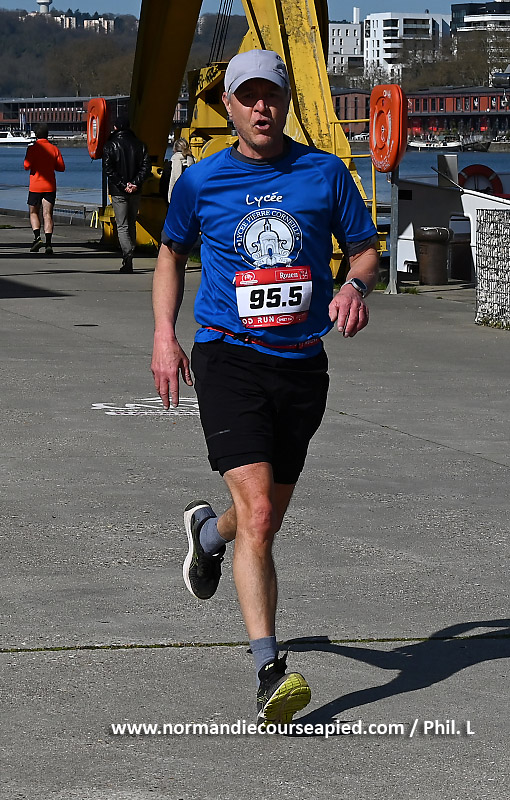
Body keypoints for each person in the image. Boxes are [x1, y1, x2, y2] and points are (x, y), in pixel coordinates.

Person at [151, 49, 379, 729]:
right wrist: (164, 335)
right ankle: (269, 672)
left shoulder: (324, 172)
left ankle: (207, 535)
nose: (260, 107)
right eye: (247, 96)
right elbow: (171, 252)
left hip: (302, 365)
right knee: (257, 515)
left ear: (285, 102)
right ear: (227, 106)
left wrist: (355, 286)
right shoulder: (201, 180)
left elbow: (365, 249)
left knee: (260, 520)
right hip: (229, 358)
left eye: (271, 95)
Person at [102, 114, 151, 274]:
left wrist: (123, 185)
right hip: (136, 191)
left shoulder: (110, 145)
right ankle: (130, 252)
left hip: (118, 191)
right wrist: (135, 183)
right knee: (131, 222)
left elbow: (109, 169)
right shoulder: (140, 145)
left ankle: (127, 255)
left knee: (122, 225)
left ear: (115, 127)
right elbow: (146, 167)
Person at [24, 123, 65, 256]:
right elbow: (61, 167)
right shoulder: (54, 149)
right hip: (50, 186)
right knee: (48, 214)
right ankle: (49, 244)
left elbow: (26, 166)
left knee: (33, 212)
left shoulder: (32, 149)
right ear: (47, 134)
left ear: (35, 134)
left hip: (35, 186)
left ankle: (37, 237)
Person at [168, 138, 195, 202]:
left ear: (174, 149)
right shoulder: (193, 163)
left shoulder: (171, 163)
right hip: (190, 199)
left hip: (175, 199)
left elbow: (164, 182)